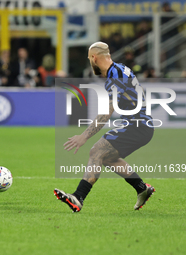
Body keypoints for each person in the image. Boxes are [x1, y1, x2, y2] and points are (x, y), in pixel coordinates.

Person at [54, 42, 155, 212]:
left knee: (97, 151)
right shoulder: (120, 68)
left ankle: (78, 197)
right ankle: (141, 188)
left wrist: (84, 136)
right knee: (108, 158)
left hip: (138, 125)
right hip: (141, 124)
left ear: (94, 57)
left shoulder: (115, 76)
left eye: (89, 59)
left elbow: (106, 112)